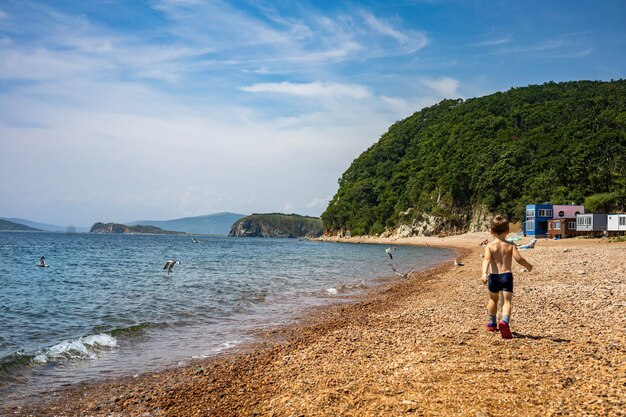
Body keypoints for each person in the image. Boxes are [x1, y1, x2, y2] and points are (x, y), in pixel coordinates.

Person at [481, 215, 533, 339]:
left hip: (493, 276)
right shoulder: (510, 245)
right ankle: (504, 321)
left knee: (493, 299)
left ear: (491, 231)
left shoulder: (489, 246)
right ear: (508, 231)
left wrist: (484, 273)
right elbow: (519, 258)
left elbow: (486, 260)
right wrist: (528, 266)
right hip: (506, 276)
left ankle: (492, 323)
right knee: (507, 301)